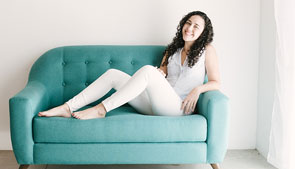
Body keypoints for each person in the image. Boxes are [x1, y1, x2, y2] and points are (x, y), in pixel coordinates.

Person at [38, 10, 220, 120]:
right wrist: (160, 72)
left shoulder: (208, 50)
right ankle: (67, 107)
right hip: (155, 104)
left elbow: (216, 82)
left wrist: (197, 90)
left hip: (178, 107)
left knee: (148, 71)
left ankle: (101, 110)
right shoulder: (172, 50)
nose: (190, 28)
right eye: (188, 23)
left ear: (203, 32)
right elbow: (163, 71)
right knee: (113, 74)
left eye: (196, 26)